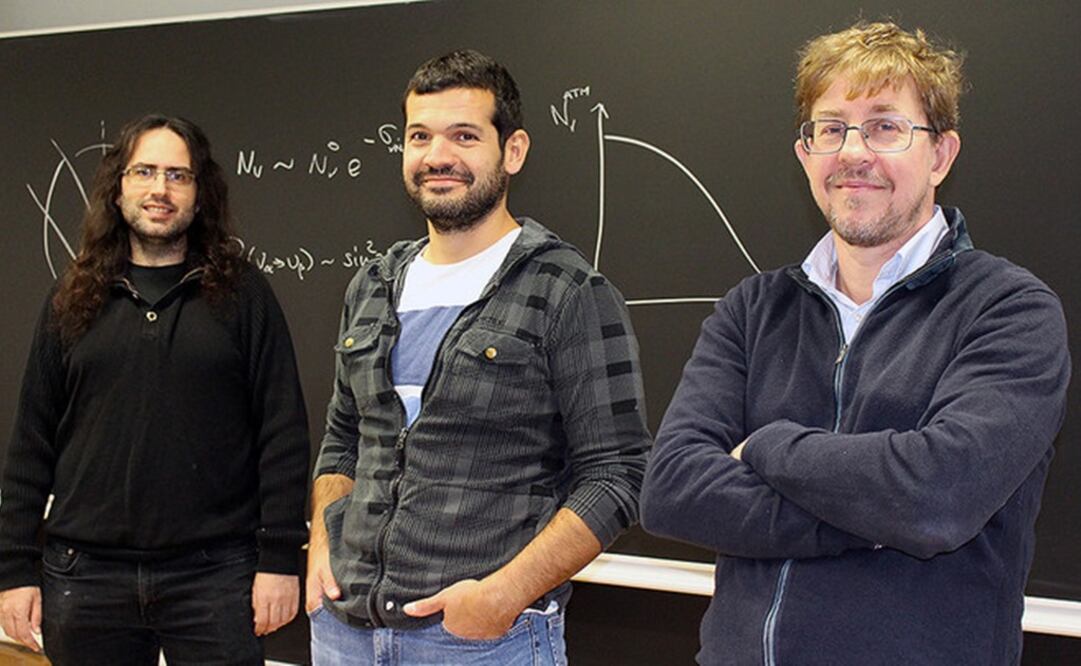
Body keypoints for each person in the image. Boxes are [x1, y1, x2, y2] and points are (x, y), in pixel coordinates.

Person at [640, 21, 1070, 666]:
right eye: (831, 127)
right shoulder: (753, 309)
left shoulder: (1010, 310)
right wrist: (871, 521)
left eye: (885, 126)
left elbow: (935, 498)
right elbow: (671, 490)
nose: (852, 152)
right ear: (805, 152)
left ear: (941, 155)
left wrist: (765, 444)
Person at [305, 49, 650, 664]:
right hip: (342, 635)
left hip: (482, 642)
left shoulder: (567, 291)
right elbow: (343, 436)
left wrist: (505, 593)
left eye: (464, 135)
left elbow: (619, 472)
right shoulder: (372, 286)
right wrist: (321, 544)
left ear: (511, 151)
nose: (438, 156)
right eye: (420, 136)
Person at [0, 114, 310, 664]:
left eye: (177, 175)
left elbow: (282, 432)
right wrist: (14, 569)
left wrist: (280, 560)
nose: (159, 189)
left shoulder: (242, 296)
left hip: (216, 578)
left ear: (200, 192)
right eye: (144, 171)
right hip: (84, 578)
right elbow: (31, 443)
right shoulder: (71, 298)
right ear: (118, 186)